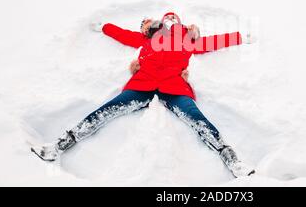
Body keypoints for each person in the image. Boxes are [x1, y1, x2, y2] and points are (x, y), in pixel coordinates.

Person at [31, 12, 255, 177]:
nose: (169, 23)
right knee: (106, 111)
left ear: (179, 23)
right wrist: (106, 27)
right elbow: (124, 36)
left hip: (174, 88)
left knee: (196, 119)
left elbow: (213, 42)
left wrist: (240, 37)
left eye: (173, 20)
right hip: (142, 84)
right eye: (166, 20)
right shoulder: (148, 39)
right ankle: (59, 146)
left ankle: (232, 159)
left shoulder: (188, 42)